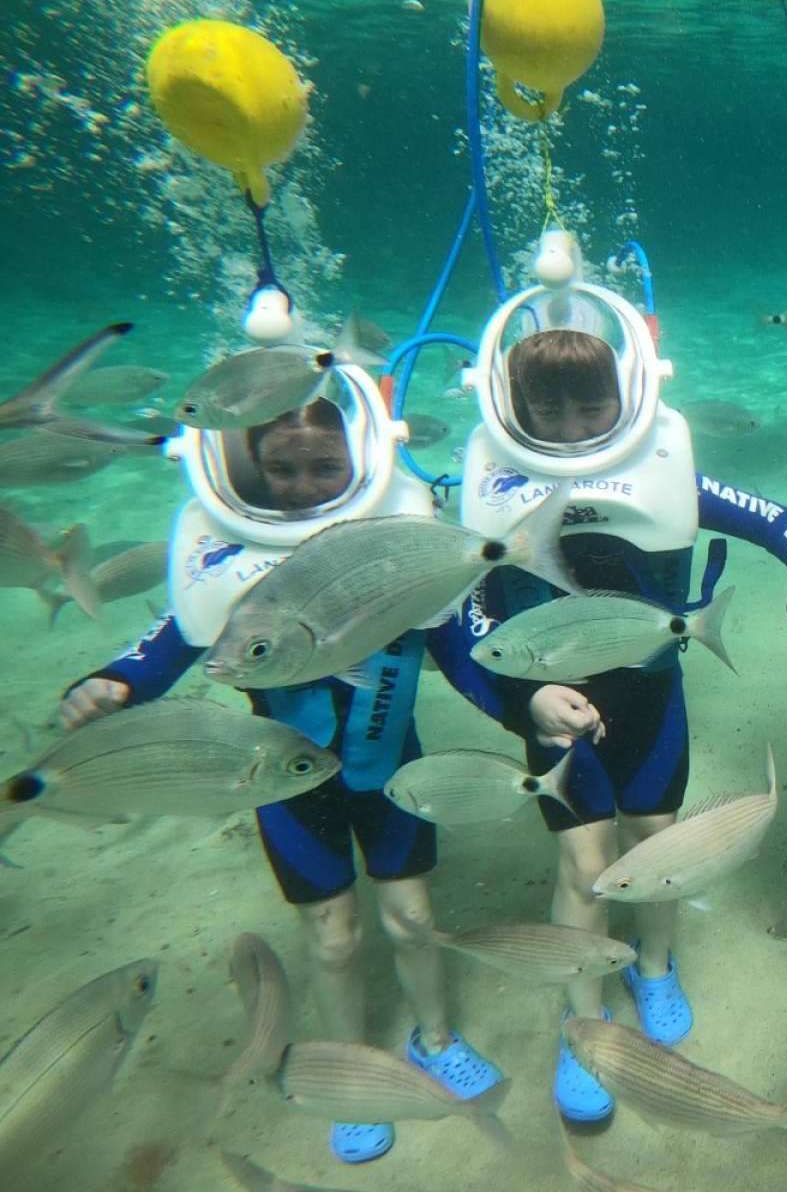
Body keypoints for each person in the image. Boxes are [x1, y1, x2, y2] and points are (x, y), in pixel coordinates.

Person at [58, 375, 511, 1166]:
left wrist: (528, 706)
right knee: (333, 939)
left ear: (360, 461)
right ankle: (350, 1060)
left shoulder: (393, 549)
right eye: (282, 470)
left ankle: (435, 1037)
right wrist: (110, 684)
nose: (302, 487)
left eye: (323, 468)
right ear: (247, 469)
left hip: (390, 772)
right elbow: (169, 644)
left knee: (410, 919)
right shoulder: (231, 560)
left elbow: (462, 654)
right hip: (284, 785)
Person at [457, 230, 787, 1125]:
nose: (566, 431)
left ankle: (658, 967)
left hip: (652, 697)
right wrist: (524, 699)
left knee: (659, 837)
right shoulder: (489, 485)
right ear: (511, 407)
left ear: (625, 397)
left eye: (586, 410)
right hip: (552, 706)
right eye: (545, 414)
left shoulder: (666, 468)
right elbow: (470, 611)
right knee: (584, 863)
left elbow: (779, 522)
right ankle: (583, 1020)